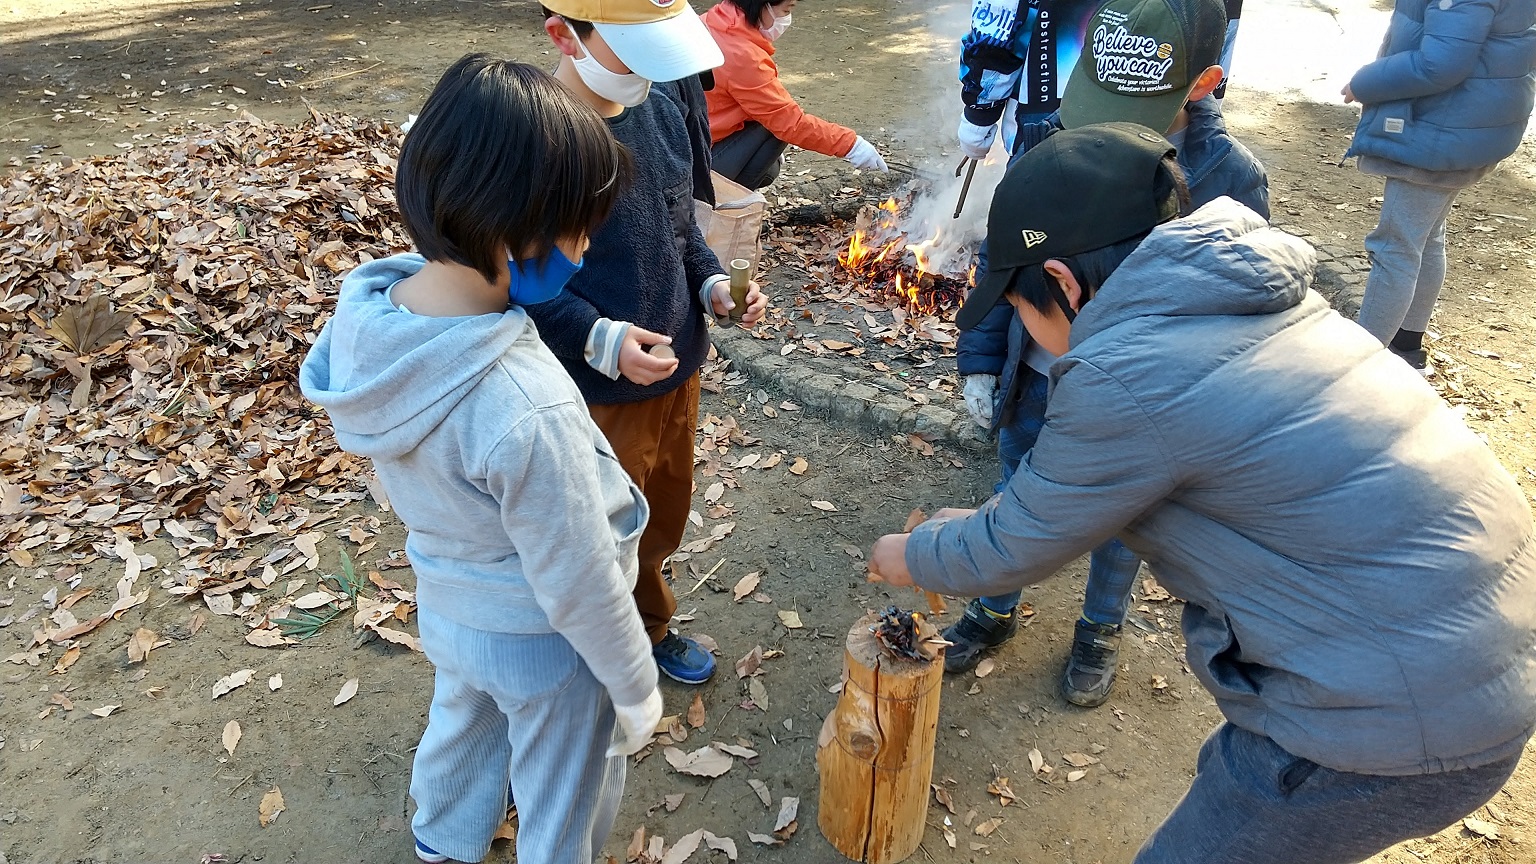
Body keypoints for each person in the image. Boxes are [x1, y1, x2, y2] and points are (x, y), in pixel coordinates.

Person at [868, 121, 1536, 864]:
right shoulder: (1248, 300)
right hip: (1467, 639)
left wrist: (906, 554)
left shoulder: (1126, 372)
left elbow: (1012, 549)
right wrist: (982, 523)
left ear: (1063, 282)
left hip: (1392, 709)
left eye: (1018, 304)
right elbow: (1061, 506)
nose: (1020, 320)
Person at [299, 56, 659, 864]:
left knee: (463, 729)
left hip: (452, 603)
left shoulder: (374, 327)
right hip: (545, 637)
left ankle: (442, 843)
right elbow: (577, 574)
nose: (585, 247)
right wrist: (633, 684)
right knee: (563, 788)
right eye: (577, 228)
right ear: (512, 232)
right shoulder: (524, 404)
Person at [948, 0, 1269, 709]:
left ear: (1204, 82)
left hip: (1144, 403)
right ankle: (994, 607)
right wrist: (980, 358)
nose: (1104, 125)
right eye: (1099, 97)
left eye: (1137, 106)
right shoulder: (1050, 137)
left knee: (1124, 520)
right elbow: (1004, 258)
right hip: (1038, 378)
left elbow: (1235, 305)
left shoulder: (1228, 176)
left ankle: (1100, 626)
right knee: (1016, 490)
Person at [531, 0, 769, 686]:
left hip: (675, 366)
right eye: (633, 51)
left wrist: (711, 284)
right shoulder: (538, 142)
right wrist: (598, 337)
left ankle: (649, 627)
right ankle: (586, 661)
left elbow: (680, 228)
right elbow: (516, 279)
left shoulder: (660, 110)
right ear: (564, 35)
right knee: (597, 532)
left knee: (661, 516)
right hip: (596, 389)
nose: (650, 71)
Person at [1343, 0, 1536, 375]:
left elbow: (1440, 64)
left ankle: (1357, 368)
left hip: (1440, 126)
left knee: (1396, 246)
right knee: (1426, 237)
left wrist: (1364, 82)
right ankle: (1405, 345)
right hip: (1467, 122)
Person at [956, 0, 1245, 161]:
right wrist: (1205, 103)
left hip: (1050, 105)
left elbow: (1001, 17)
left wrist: (981, 109)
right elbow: (1221, 27)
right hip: (1167, 108)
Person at [701, 0, 888, 190]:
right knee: (776, 127)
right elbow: (790, 123)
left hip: (695, 144)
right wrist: (851, 146)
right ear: (763, 5)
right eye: (786, 9)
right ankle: (723, 198)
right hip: (698, 163)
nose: (786, 18)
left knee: (770, 165)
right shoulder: (742, 55)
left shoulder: (714, 20)